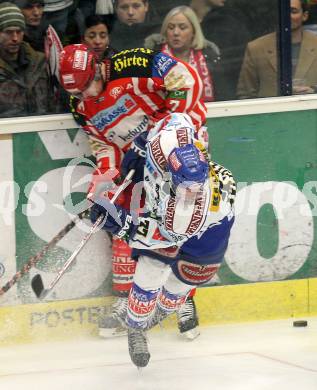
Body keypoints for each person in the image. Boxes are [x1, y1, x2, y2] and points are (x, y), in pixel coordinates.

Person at [58, 44, 207, 338]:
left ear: (98, 67)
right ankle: (126, 300)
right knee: (125, 226)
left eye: (87, 86)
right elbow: (104, 145)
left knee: (178, 225)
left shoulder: (133, 62)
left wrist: (168, 129)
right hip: (136, 164)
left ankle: (183, 300)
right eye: (77, 92)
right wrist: (104, 180)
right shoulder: (80, 106)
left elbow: (184, 78)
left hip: (179, 151)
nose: (85, 95)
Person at [90, 112, 236, 368]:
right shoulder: (167, 143)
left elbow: (155, 237)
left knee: (176, 290)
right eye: (187, 188)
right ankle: (136, 327)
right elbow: (177, 118)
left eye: (195, 189)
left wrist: (116, 219)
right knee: (150, 272)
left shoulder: (197, 206)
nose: (192, 193)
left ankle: (154, 317)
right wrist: (139, 149)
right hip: (166, 214)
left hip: (208, 236)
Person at [237, 0, 317, 98]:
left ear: (304, 16)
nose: (288, 15)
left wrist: (314, 90)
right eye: (284, 11)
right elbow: (245, 94)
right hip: (270, 112)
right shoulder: (256, 48)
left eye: (293, 11)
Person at [144, 5, 225, 101]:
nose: (176, 32)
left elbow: (223, 94)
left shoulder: (209, 56)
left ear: (194, 31)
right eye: (171, 27)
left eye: (182, 28)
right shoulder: (152, 55)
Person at [0, 1, 56, 117]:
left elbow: (53, 104)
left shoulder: (39, 61)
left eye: (19, 32)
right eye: (8, 32)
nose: (15, 38)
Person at [191, 0, 250, 100]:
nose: (176, 32)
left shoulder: (230, 22)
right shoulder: (177, 19)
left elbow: (240, 63)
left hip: (222, 98)